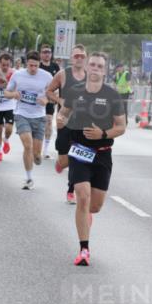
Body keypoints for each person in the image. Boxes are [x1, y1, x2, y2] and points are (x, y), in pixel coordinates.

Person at [58, 51, 126, 265]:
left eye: (99, 66)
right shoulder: (74, 92)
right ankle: (84, 249)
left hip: (103, 153)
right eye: (92, 65)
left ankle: (87, 218)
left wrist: (103, 134)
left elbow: (122, 127)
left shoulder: (112, 95)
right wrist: (60, 120)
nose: (95, 68)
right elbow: (64, 113)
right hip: (79, 150)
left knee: (94, 206)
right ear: (86, 67)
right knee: (83, 196)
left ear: (104, 71)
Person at [4, 50, 53, 189]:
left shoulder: (47, 76)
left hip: (39, 117)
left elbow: (53, 93)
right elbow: (6, 93)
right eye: (31, 65)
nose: (33, 69)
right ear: (27, 64)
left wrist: (46, 99)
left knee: (37, 155)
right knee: (28, 145)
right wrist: (14, 94)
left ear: (39, 64)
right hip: (21, 114)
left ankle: (37, 158)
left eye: (36, 66)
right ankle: (28, 178)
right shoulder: (18, 75)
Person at [46, 44, 87, 203]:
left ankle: (71, 190)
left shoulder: (90, 76)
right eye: (76, 56)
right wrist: (60, 100)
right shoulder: (62, 74)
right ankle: (60, 163)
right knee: (65, 160)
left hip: (83, 122)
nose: (79, 59)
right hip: (64, 121)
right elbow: (48, 92)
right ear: (71, 58)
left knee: (78, 157)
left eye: (82, 56)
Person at [39, 44, 60, 158]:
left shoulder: (55, 66)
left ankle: (46, 149)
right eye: (44, 52)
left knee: (48, 122)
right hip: (37, 100)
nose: (47, 54)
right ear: (41, 54)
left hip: (50, 99)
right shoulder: (38, 66)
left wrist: (56, 96)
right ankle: (36, 145)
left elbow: (59, 83)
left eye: (49, 52)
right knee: (37, 124)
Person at [0, 52, 15, 161]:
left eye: (7, 64)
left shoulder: (14, 73)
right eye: (3, 64)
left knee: (9, 128)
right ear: (0, 63)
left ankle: (6, 140)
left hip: (10, 104)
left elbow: (16, 87)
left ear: (10, 64)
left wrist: (3, 85)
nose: (5, 67)